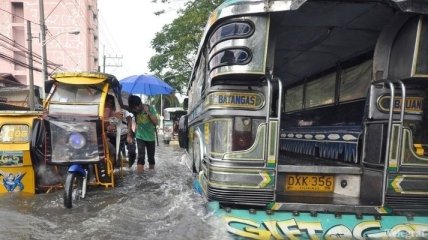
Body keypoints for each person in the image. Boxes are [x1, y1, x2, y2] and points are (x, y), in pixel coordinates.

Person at [127, 95, 158, 173]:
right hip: (140, 136)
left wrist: (148, 112)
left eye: (137, 107)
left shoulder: (150, 108)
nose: (136, 109)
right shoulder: (135, 111)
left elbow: (156, 122)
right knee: (141, 156)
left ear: (140, 104)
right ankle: (140, 178)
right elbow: (122, 106)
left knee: (151, 158)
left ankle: (151, 176)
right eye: (134, 108)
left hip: (150, 137)